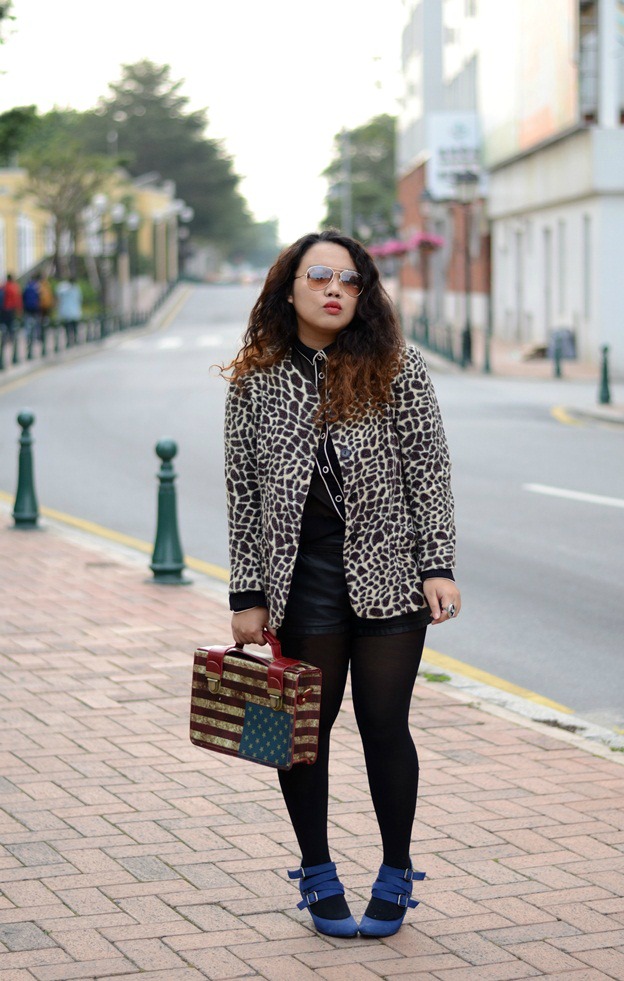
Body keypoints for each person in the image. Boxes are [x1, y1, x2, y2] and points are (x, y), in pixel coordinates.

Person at [222, 229, 461, 940]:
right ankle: (317, 870)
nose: (336, 290)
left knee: (386, 725)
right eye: (320, 276)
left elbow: (429, 470)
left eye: (351, 280)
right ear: (288, 287)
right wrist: (247, 595)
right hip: (301, 582)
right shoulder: (256, 379)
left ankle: (396, 871)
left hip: (390, 575)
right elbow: (243, 492)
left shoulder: (397, 367)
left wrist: (437, 563)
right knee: (303, 733)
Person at [56, 275, 83, 346]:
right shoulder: (76, 289)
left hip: (67, 312)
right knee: (74, 327)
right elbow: (80, 299)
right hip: (73, 312)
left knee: (68, 327)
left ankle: (69, 340)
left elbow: (58, 299)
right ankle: (74, 339)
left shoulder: (62, 288)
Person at [1, 273, 22, 338]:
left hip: (5, 308)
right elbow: (18, 298)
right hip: (12, 308)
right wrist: (19, 309)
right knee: (11, 323)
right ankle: (11, 336)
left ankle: (5, 336)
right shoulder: (15, 287)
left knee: (5, 323)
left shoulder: (4, 286)